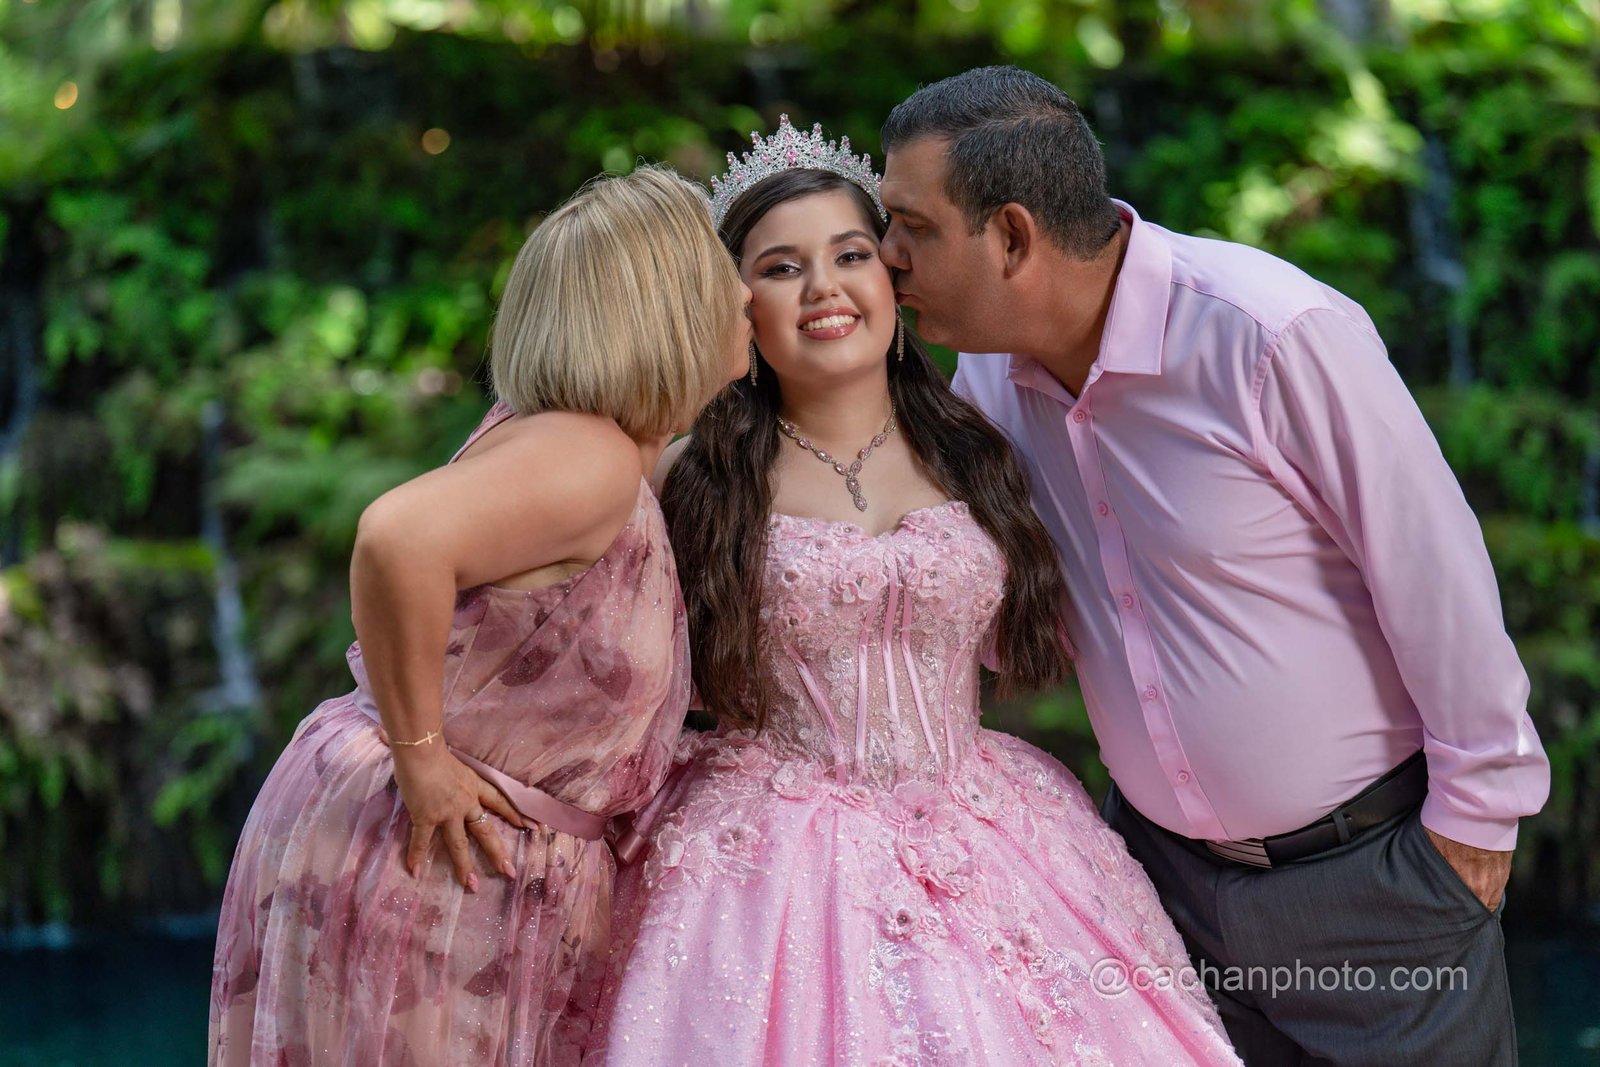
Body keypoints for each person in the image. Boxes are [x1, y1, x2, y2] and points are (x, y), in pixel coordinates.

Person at [877, 65, 1550, 1065]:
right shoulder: (988, 378)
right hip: (1159, 891)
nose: (886, 256)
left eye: (911, 227)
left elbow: (1433, 572)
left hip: (1375, 883)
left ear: (1012, 235)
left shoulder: (1269, 335)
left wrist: (1473, 829)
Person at [582, 117, 1241, 1066]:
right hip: (768, 857)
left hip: (995, 829)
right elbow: (575, 635)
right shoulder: (687, 475)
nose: (824, 287)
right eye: (782, 268)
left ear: (893, 276)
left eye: (851, 254)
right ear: (739, 307)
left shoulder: (983, 444)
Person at [208, 166, 752, 1066]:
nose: (744, 293)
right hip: (431, 860)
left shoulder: (592, 449)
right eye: (723, 270)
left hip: (444, 860)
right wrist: (422, 759)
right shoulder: (588, 456)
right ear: (670, 304)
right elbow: (397, 537)